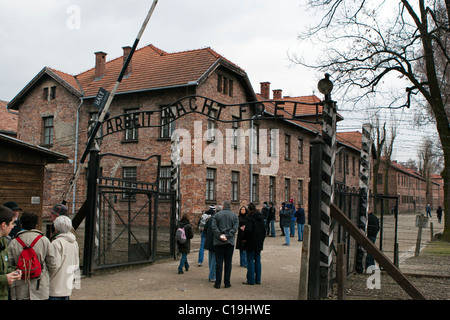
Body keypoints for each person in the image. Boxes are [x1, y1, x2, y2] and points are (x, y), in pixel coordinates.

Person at [8, 211, 56, 300]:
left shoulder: (14, 242)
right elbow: (53, 264)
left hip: (19, 288)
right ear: (36, 225)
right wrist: (45, 275)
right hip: (39, 286)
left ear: (21, 225)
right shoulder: (44, 240)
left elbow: (9, 265)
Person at [49, 215, 80, 300]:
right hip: (67, 285)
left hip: (55, 285)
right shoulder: (74, 243)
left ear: (56, 228)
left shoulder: (56, 243)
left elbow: (54, 265)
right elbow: (76, 264)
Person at [211, 200, 239, 289]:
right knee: (228, 263)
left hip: (219, 242)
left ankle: (218, 283)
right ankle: (227, 283)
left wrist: (220, 235)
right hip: (229, 242)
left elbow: (214, 227)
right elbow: (235, 228)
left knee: (218, 262)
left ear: (223, 206)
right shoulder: (234, 216)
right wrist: (228, 235)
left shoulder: (216, 215)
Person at [0, 205, 22, 300]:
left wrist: (13, 271)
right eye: (12, 223)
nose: (13, 226)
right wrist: (5, 279)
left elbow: (3, 268)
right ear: (4, 225)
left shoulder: (3, 243)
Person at [242, 203, 266, 285]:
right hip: (259, 241)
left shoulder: (249, 218)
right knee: (258, 260)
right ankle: (258, 279)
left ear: (249, 209)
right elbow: (264, 230)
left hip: (251, 241)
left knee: (250, 261)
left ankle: (251, 280)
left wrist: (244, 238)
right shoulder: (260, 217)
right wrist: (262, 239)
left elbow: (248, 230)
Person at [204, 205, 220, 282]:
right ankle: (212, 275)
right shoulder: (217, 219)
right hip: (214, 241)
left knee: (211, 257)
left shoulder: (210, 218)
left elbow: (205, 229)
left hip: (209, 240)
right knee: (214, 258)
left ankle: (211, 274)